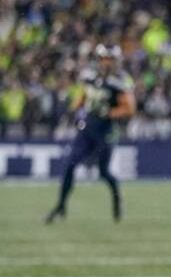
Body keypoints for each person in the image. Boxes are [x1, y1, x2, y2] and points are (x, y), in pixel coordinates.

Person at [45, 44, 135, 223]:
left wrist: (109, 113)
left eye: (110, 59)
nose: (106, 63)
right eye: (104, 59)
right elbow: (83, 96)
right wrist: (73, 111)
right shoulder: (89, 76)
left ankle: (117, 199)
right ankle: (61, 206)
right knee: (70, 165)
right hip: (87, 127)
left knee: (103, 172)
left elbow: (129, 108)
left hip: (106, 130)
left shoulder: (120, 81)